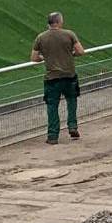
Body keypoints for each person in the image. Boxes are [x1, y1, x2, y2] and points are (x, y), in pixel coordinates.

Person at [32, 11, 85, 144]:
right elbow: (80, 51)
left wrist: (45, 57)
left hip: (52, 78)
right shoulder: (69, 34)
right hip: (69, 75)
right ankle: (72, 126)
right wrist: (70, 54)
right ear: (59, 21)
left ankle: (52, 136)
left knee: (52, 106)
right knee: (72, 102)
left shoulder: (41, 38)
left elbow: (34, 58)